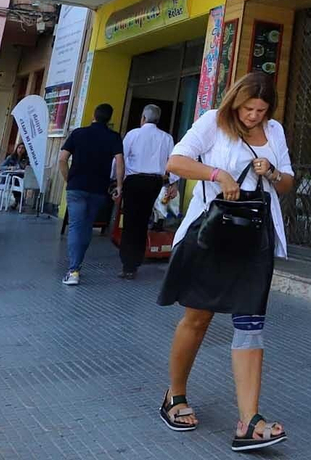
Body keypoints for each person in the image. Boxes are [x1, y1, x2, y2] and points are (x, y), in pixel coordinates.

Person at [157, 71, 292, 449]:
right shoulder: (212, 122)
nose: (253, 116)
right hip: (212, 235)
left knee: (251, 322)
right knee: (198, 317)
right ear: (236, 101)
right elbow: (176, 162)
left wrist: (273, 171)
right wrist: (218, 173)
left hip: (254, 240)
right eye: (248, 108)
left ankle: (249, 420)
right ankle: (175, 395)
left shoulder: (275, 131)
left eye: (261, 110)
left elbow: (287, 182)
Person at [58, 103, 125, 286]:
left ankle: (73, 270)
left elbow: (62, 159)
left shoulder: (78, 133)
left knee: (75, 226)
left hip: (76, 186)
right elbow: (119, 162)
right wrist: (119, 185)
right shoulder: (113, 137)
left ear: (94, 115)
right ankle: (77, 266)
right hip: (98, 189)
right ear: (109, 118)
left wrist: (68, 179)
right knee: (87, 227)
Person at [120, 104, 177, 280]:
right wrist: (173, 184)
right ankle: (136, 260)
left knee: (130, 221)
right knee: (144, 219)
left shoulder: (133, 134)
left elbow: (120, 158)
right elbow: (173, 160)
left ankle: (128, 265)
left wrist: (117, 181)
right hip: (154, 182)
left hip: (133, 180)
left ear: (143, 118)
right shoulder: (166, 138)